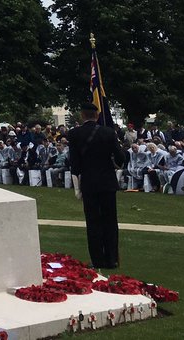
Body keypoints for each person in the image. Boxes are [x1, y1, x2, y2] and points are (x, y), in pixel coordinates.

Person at [67, 102, 126, 270]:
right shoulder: (108, 132)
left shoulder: (74, 134)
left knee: (93, 223)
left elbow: (75, 163)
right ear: (97, 115)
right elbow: (120, 157)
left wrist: (78, 184)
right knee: (110, 221)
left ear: (82, 115)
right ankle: (112, 259)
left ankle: (97, 259)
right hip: (107, 182)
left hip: (89, 183)